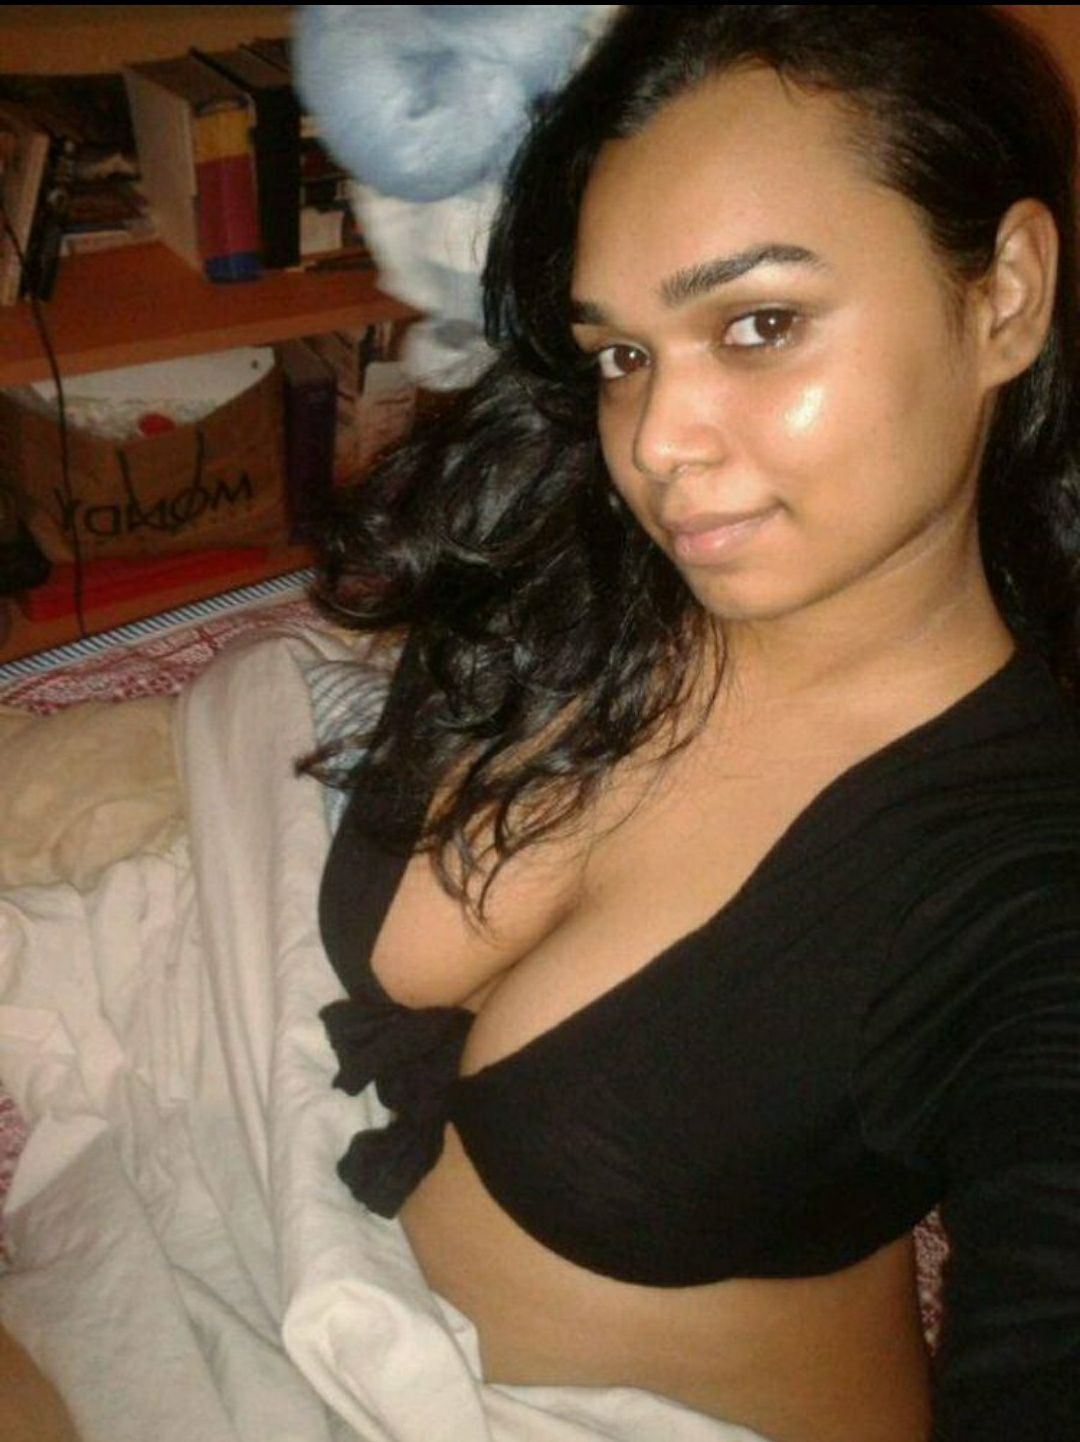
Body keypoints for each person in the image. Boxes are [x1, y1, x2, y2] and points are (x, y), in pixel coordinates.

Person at [312, 7, 1080, 1441]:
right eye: (623, 353)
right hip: (322, 1286)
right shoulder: (579, 566)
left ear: (1006, 298)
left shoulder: (1025, 885)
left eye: (760, 324)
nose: (658, 442)